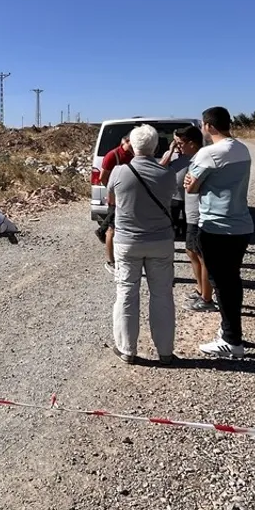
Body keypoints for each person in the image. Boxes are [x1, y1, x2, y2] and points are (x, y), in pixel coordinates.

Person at [184, 106, 254, 358]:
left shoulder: (208, 154)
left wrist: (195, 183)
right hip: (241, 225)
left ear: (209, 126)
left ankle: (231, 340)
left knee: (222, 285)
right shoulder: (242, 149)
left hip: (216, 227)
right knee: (231, 281)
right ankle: (231, 333)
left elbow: (190, 187)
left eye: (204, 125)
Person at [105, 124, 178, 365]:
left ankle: (127, 350)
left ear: (132, 146)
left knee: (126, 293)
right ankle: (165, 351)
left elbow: (111, 200)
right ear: (156, 146)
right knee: (162, 295)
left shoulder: (118, 172)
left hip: (127, 242)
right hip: (161, 241)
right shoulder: (167, 174)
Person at [163, 125, 215, 312]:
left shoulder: (201, 160)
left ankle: (207, 299)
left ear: (192, 143)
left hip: (199, 214)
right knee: (191, 251)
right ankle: (201, 289)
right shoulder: (191, 159)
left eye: (180, 143)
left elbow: (196, 185)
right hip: (191, 212)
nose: (178, 147)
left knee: (201, 255)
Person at [96, 134, 134, 271]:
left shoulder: (133, 155)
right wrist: (112, 192)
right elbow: (103, 177)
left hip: (129, 198)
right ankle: (110, 261)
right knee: (112, 228)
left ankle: (101, 231)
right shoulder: (113, 155)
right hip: (116, 198)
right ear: (126, 141)